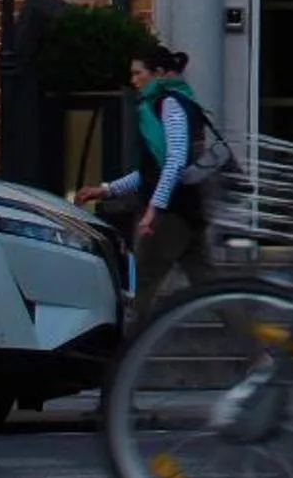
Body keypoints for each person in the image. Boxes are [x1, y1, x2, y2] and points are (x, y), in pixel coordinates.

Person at [75, 43, 223, 322]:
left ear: (158, 73)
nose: (133, 80)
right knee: (210, 288)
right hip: (186, 211)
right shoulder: (174, 102)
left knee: (140, 292)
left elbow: (174, 161)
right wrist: (106, 190)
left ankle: (123, 359)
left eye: (137, 73)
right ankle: (259, 355)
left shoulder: (169, 104)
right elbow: (150, 170)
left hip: (169, 217)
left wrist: (153, 210)